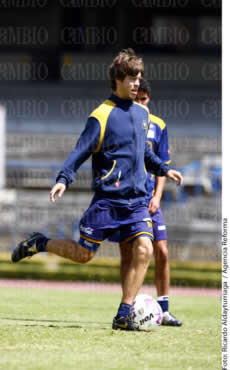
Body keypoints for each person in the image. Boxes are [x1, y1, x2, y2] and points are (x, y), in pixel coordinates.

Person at [11, 49, 183, 331]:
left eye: (139, 77)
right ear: (117, 79)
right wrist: (64, 178)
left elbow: (144, 152)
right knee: (84, 255)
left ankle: (124, 313)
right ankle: (40, 242)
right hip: (108, 201)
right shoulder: (101, 115)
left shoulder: (142, 113)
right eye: (131, 78)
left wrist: (163, 169)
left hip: (137, 201)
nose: (137, 83)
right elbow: (80, 150)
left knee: (144, 248)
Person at [119, 78, 182, 326]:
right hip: (128, 199)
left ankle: (164, 309)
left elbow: (161, 166)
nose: (141, 102)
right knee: (127, 253)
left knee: (162, 251)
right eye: (137, 98)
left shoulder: (159, 125)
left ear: (149, 99)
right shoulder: (123, 122)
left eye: (144, 98)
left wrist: (157, 197)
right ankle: (128, 306)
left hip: (149, 199)